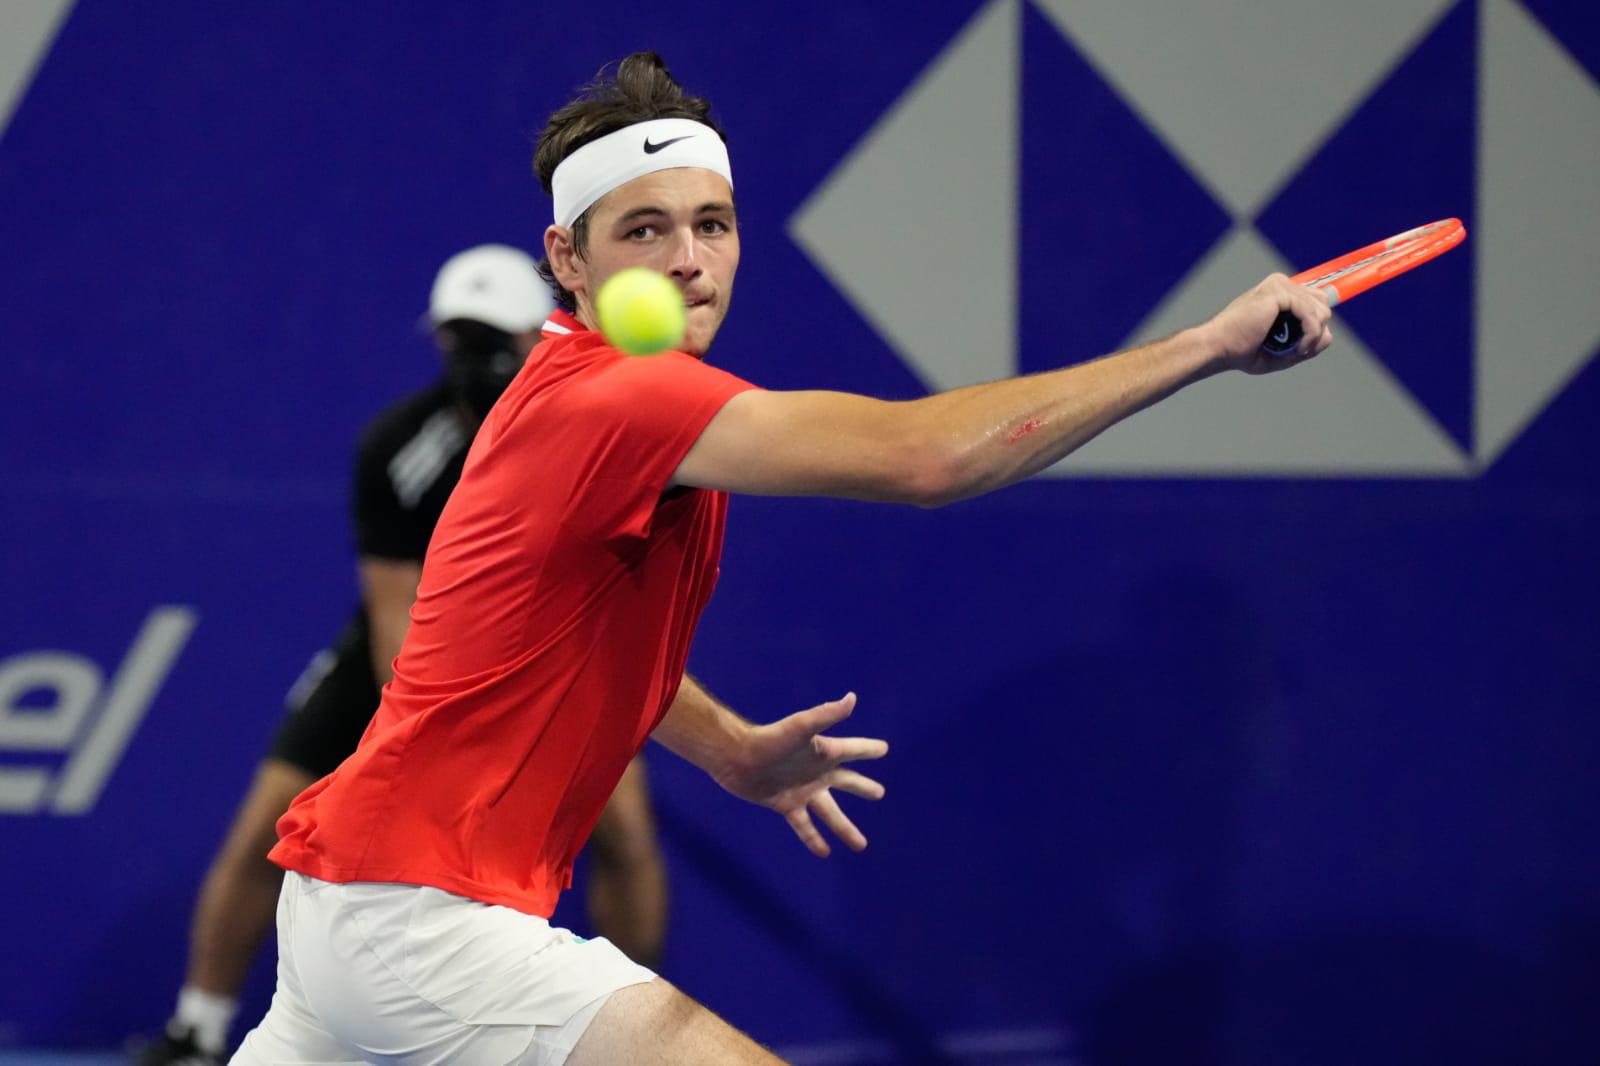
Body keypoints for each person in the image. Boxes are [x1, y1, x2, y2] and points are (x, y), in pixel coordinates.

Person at [231, 52, 1334, 1065]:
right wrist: (1203, 346)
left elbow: (562, 627)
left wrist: (726, 750)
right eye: (644, 230)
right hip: (427, 925)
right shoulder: (624, 397)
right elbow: (927, 460)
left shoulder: (573, 396)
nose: (690, 261)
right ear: (568, 258)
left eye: (712, 224)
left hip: (354, 908)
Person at [140, 245, 669, 1066]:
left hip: (557, 651)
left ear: (541, 335)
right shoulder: (397, 445)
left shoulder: (593, 431)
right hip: (414, 655)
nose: (476, 359)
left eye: (494, 339)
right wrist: (451, 745)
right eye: (460, 340)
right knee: (265, 828)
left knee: (627, 832)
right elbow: (397, 625)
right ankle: (197, 1031)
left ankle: (631, 1036)